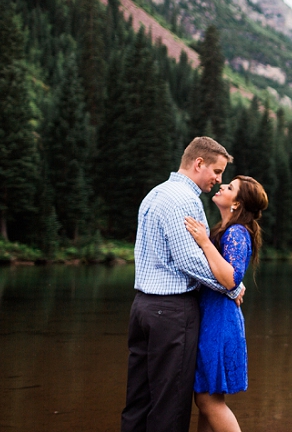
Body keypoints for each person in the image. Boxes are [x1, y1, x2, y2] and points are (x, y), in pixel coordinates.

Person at [121, 137, 244, 432]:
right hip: (172, 312)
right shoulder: (184, 199)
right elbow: (189, 260)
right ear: (198, 163)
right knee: (170, 403)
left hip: (142, 307)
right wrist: (231, 287)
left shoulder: (155, 194)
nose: (218, 180)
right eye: (217, 171)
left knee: (138, 399)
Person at [184, 175, 269, 432]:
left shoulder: (236, 233)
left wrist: (204, 242)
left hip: (219, 321)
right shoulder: (225, 230)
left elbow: (231, 278)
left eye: (230, 187)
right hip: (213, 317)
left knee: (207, 399)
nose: (222, 186)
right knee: (207, 397)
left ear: (237, 204)